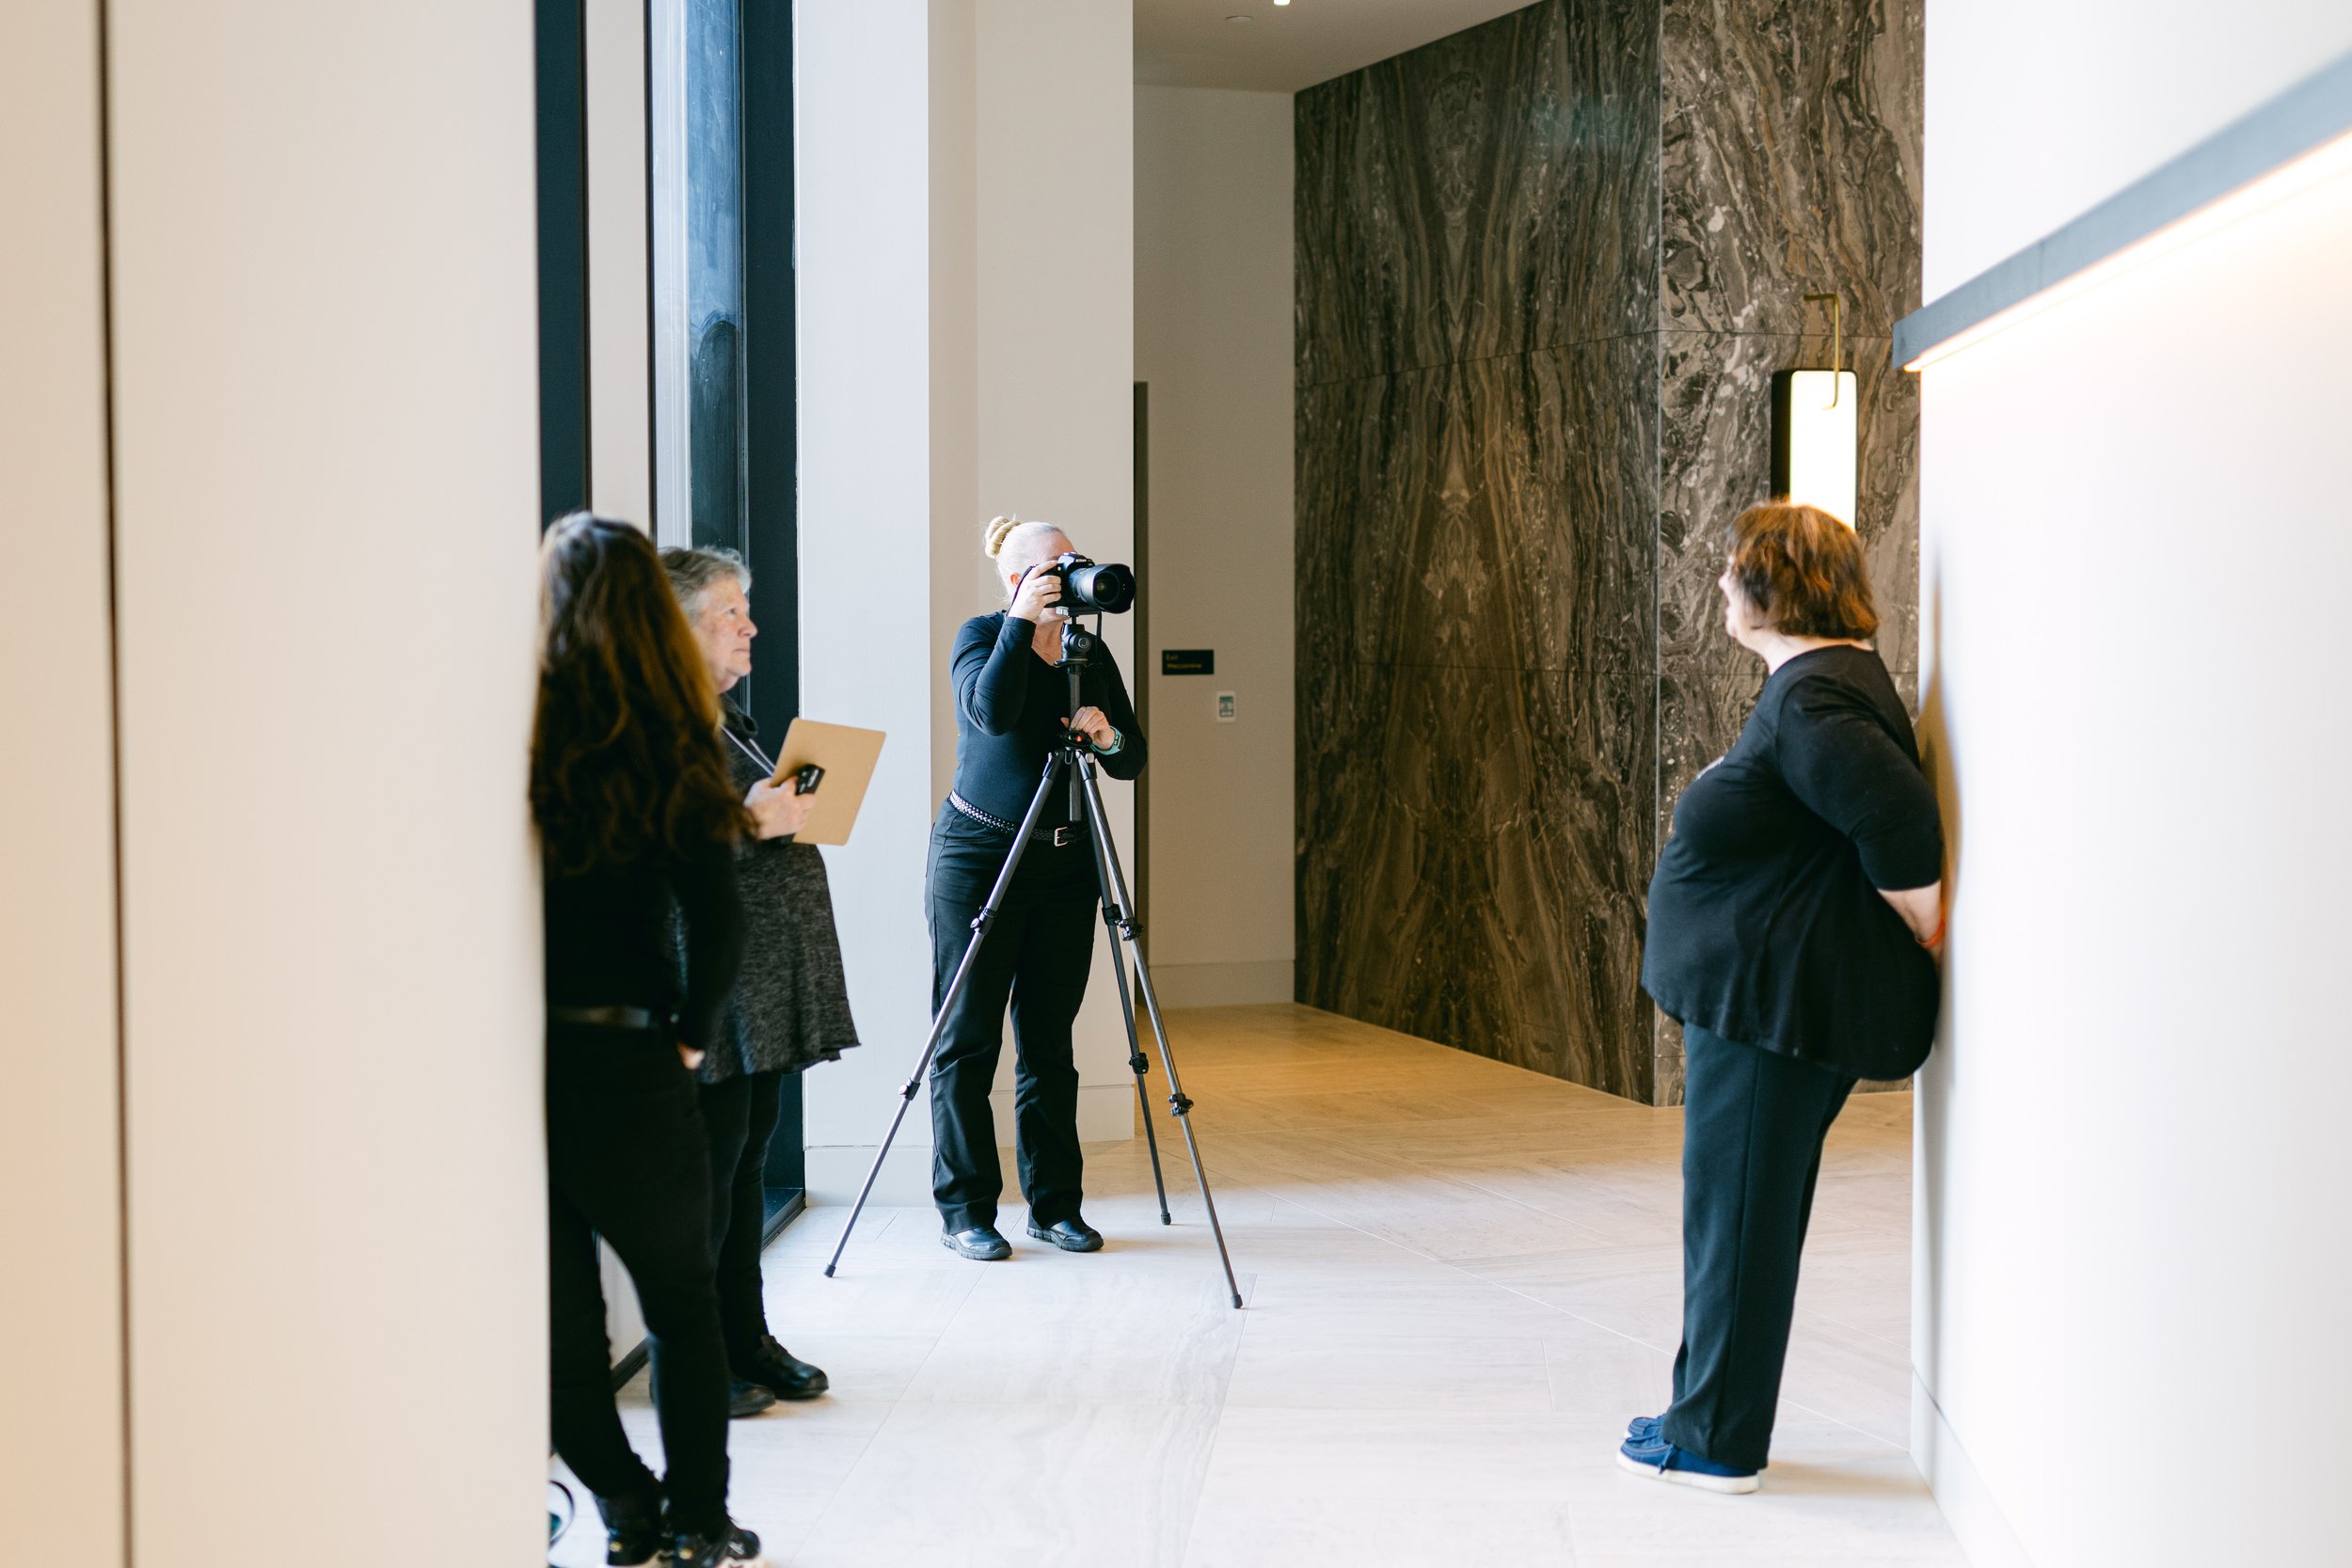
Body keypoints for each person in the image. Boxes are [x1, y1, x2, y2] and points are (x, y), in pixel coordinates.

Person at [1626, 501, 1945, 1494]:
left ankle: (1717, 1436)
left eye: (1730, 568)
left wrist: (1919, 917)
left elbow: (1900, 829)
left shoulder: (1814, 701)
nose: (1719, 584)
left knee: (1739, 1218)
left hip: (1774, 1013)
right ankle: (1702, 1405)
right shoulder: (1817, 683)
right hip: (1764, 1003)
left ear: (1772, 584)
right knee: (1732, 1213)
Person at [532, 514, 768, 1568]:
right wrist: (686, 1037)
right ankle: (698, 1519)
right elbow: (719, 921)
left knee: (563, 1326)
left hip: (527, 1062)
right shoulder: (672, 738)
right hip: (633, 1060)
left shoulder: (528, 730)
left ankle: (625, 1504)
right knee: (681, 1304)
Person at [660, 545, 860, 1416]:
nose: (750, 626)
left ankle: (749, 1338)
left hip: (761, 987)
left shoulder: (724, 716)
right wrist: (750, 817)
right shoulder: (659, 726)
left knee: (745, 1172)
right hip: (714, 988)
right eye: (729, 613)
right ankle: (707, 1361)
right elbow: (662, 850)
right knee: (712, 1185)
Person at [928, 515, 1147, 1260]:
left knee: (1049, 1043)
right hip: (979, 855)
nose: (1069, 572)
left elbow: (1132, 756)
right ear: (1015, 577)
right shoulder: (982, 636)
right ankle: (965, 1212)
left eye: (1072, 559)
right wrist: (1022, 625)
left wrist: (1106, 734)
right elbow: (988, 712)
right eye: (1053, 564)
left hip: (1062, 864)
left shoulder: (1089, 652)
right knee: (966, 1039)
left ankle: (1055, 1205)